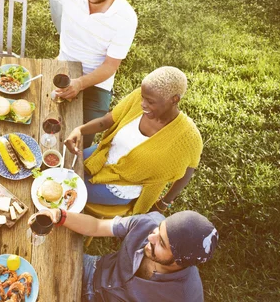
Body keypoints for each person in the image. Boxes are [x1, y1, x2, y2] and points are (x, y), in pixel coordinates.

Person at [0, 0, 137, 147]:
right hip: (64, 65)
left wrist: (79, 83)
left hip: (97, 83)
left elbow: (110, 66)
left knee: (78, 139)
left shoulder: (126, 18)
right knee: (36, 118)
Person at [64, 66, 202, 218]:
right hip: (103, 155)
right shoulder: (140, 97)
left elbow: (187, 172)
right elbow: (106, 121)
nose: (143, 104)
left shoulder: (188, 137)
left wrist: (163, 203)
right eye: (143, 97)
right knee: (61, 167)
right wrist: (80, 130)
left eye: (150, 101)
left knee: (67, 189)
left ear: (174, 99)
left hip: (122, 184)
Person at [32, 209, 218, 302]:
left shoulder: (186, 296)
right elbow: (97, 226)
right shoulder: (149, 222)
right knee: (33, 266)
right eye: (158, 230)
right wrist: (59, 215)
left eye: (161, 243)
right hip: (92, 270)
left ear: (180, 261)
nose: (150, 237)